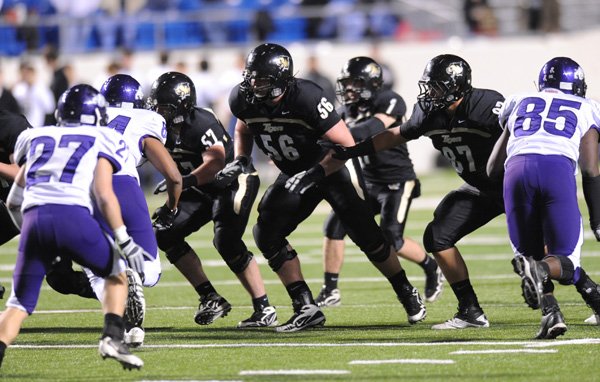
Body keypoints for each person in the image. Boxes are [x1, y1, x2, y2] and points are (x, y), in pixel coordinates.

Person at [216, 43, 426, 332]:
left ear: (280, 79)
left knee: (367, 236)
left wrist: (316, 172)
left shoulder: (306, 96)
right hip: (294, 172)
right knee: (266, 233)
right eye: (251, 77)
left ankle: (406, 292)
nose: (254, 84)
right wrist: (241, 159)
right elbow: (242, 127)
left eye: (261, 79)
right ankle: (305, 306)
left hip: (333, 166)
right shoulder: (243, 97)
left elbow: (346, 144)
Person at [331, 54, 505, 330]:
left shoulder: (486, 106)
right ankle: (470, 310)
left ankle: (590, 294)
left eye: (437, 87)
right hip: (478, 187)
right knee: (437, 236)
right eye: (429, 86)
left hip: (512, 184)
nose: (430, 93)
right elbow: (397, 134)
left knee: (540, 248)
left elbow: (519, 133)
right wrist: (354, 150)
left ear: (457, 86)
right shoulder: (428, 111)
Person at [0, 84, 144, 369]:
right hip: (73, 216)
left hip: (34, 221)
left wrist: (31, 233)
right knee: (117, 275)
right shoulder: (103, 137)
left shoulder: (36, 137)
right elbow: (104, 193)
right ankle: (112, 338)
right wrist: (124, 238)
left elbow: (15, 200)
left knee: (18, 305)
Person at [148, 72, 278, 328]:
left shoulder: (200, 122)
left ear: (181, 105)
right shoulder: (158, 129)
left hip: (232, 181)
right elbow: (175, 175)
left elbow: (215, 163)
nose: (157, 113)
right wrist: (170, 206)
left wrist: (183, 184)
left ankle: (264, 308)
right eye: (155, 107)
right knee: (164, 233)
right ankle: (210, 297)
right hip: (198, 187)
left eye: (163, 108)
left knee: (226, 240)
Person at [316, 56, 443, 308]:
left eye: (355, 83)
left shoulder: (389, 99)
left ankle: (431, 266)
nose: (349, 89)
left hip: (396, 180)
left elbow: (369, 130)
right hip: (368, 182)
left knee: (391, 239)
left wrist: (331, 135)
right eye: (346, 83)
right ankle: (330, 289)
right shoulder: (345, 110)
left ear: (372, 83)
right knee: (334, 226)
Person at [487, 57, 600, 339]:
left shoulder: (519, 100)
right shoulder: (588, 107)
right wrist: (597, 218)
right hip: (555, 171)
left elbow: (492, 168)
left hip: (515, 172)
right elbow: (590, 169)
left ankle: (552, 314)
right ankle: (538, 270)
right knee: (563, 261)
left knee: (528, 254)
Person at [0, 110, 32, 299]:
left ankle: (122, 288)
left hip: (41, 202)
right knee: (62, 279)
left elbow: (29, 173)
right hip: (12, 203)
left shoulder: (9, 125)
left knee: (62, 278)